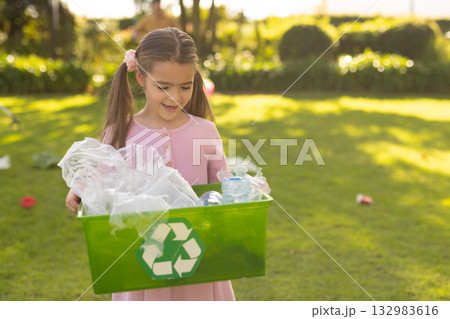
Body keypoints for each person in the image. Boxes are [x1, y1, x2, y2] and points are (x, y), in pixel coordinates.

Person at [65, 27, 235, 301]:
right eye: (163, 87)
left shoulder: (204, 131)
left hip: (197, 256)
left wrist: (246, 189)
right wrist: (80, 188)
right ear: (141, 78)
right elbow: (103, 182)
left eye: (185, 87)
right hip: (142, 258)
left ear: (195, 80)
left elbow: (223, 188)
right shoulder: (121, 131)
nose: (175, 97)